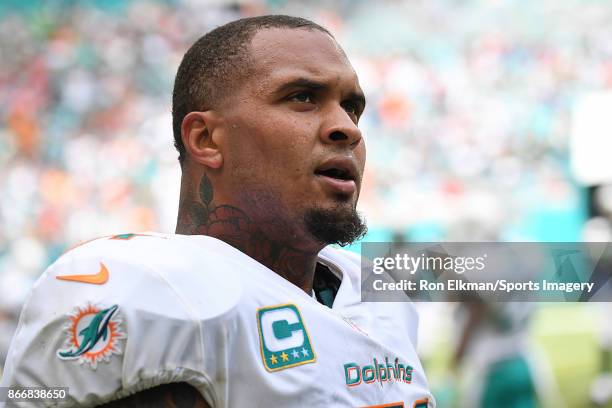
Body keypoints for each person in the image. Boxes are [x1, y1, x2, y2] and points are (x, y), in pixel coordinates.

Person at [0, 15, 434, 407]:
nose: (348, 128)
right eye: (303, 97)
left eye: (352, 106)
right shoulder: (150, 291)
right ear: (205, 139)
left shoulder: (379, 295)